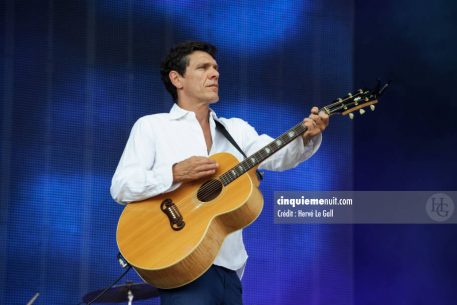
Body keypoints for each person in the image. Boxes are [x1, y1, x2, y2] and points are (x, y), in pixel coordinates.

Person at [110, 41, 329, 305]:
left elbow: (278, 157)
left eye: (215, 68)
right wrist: (175, 173)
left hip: (230, 267)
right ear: (177, 78)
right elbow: (122, 186)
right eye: (203, 68)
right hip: (181, 259)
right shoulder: (152, 127)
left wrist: (307, 138)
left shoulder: (236, 129)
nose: (215, 74)